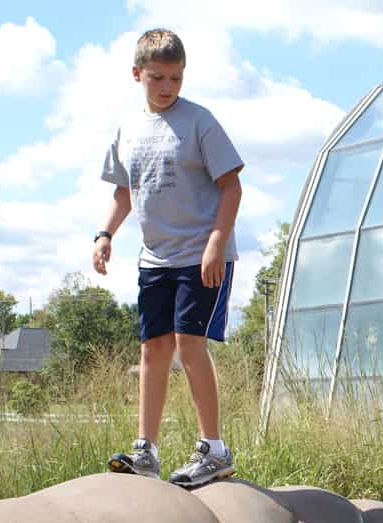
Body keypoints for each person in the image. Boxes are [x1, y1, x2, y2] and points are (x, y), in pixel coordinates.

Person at [93, 27, 243, 487]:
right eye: (158, 78)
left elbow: (231, 186)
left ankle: (213, 451)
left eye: (176, 78)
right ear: (137, 74)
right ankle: (146, 451)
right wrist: (105, 233)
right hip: (155, 258)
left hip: (201, 256)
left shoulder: (200, 122)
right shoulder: (127, 129)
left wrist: (217, 242)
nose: (167, 87)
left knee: (187, 344)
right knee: (152, 348)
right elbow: (125, 191)